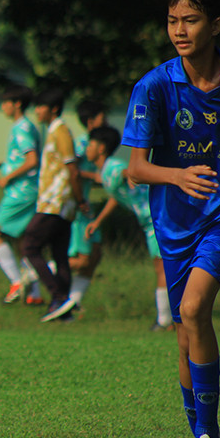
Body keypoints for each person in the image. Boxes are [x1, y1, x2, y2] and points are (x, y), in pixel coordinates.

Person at [122, 0, 220, 438]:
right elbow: (135, 169)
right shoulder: (156, 86)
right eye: (172, 20)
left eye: (190, 19)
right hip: (174, 224)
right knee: (186, 337)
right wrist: (178, 175)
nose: (180, 29)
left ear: (217, 23)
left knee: (191, 311)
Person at [83, 125, 173, 330]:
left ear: (101, 148)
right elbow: (117, 196)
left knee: (162, 268)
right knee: (162, 267)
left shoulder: (113, 167)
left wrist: (131, 175)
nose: (87, 148)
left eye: (90, 144)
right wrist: (98, 222)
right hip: (150, 221)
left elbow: (125, 173)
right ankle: (169, 319)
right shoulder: (105, 171)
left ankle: (166, 320)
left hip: (158, 218)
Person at [20, 88, 88, 323]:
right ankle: (64, 311)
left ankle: (58, 297)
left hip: (55, 201)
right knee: (60, 255)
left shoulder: (61, 131)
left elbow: (72, 169)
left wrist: (79, 200)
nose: (37, 111)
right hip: (61, 203)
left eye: (41, 107)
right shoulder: (53, 131)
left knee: (30, 246)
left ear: (54, 109)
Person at [0, 84, 40, 304]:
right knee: (23, 242)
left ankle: (17, 282)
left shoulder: (21, 127)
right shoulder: (24, 126)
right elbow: (20, 158)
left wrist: (8, 177)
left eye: (6, 102)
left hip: (21, 192)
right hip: (27, 190)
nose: (3, 106)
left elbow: (32, 160)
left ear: (17, 105)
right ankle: (35, 295)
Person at [67, 99, 107, 308]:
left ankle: (73, 302)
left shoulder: (100, 143)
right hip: (79, 206)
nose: (107, 121)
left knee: (96, 254)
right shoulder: (84, 144)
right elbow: (71, 171)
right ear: (91, 121)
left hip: (87, 205)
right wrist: (94, 176)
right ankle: (40, 268)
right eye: (103, 117)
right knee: (83, 259)